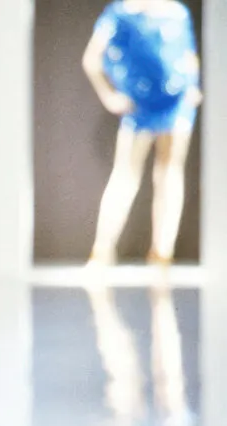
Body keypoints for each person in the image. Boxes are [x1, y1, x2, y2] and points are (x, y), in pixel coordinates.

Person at [83, 0, 202, 265]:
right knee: (125, 175)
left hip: (176, 104)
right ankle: (102, 251)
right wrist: (109, 95)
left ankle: (162, 253)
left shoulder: (177, 13)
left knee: (169, 174)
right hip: (139, 105)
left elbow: (188, 54)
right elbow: (92, 59)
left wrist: (193, 85)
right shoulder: (121, 14)